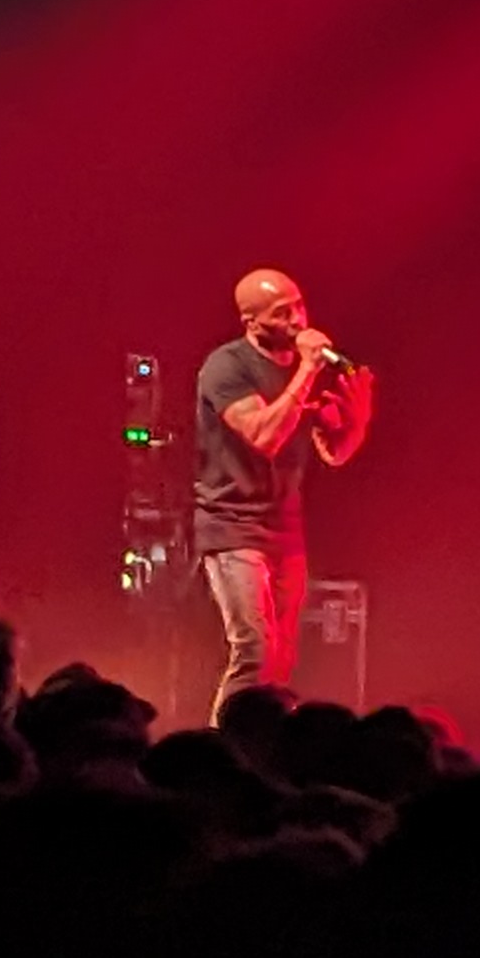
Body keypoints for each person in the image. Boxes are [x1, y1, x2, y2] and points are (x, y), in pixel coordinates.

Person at [194, 267, 376, 718]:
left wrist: (357, 422)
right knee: (254, 648)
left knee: (282, 657)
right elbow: (264, 435)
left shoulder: (305, 371)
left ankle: (269, 743)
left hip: (284, 526)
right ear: (251, 322)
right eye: (282, 313)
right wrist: (308, 370)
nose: (297, 320)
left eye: (299, 306)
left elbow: (334, 453)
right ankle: (223, 744)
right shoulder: (227, 367)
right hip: (232, 524)